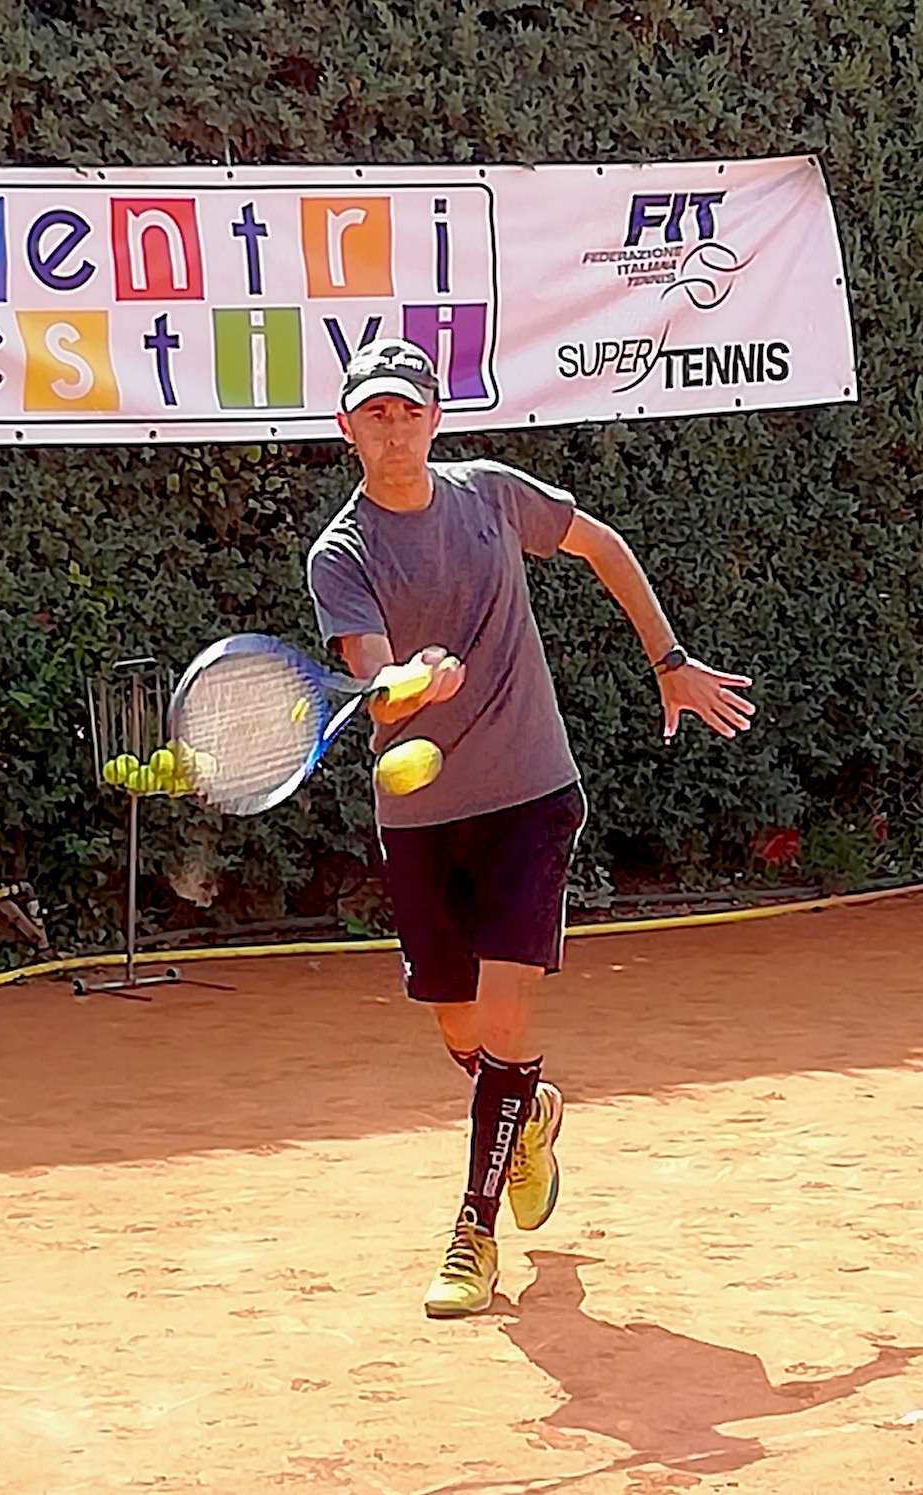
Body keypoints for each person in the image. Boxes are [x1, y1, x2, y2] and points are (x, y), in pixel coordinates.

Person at [306, 338, 755, 1318]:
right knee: (461, 1026)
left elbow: (601, 544)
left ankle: (472, 1232)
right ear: (346, 428)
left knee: (505, 1020)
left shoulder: (494, 496)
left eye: (409, 411)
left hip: (530, 795)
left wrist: (669, 658)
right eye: (375, 414)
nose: (395, 430)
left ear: (436, 419)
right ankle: (528, 1109)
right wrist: (409, 682)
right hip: (421, 817)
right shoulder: (342, 553)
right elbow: (376, 684)